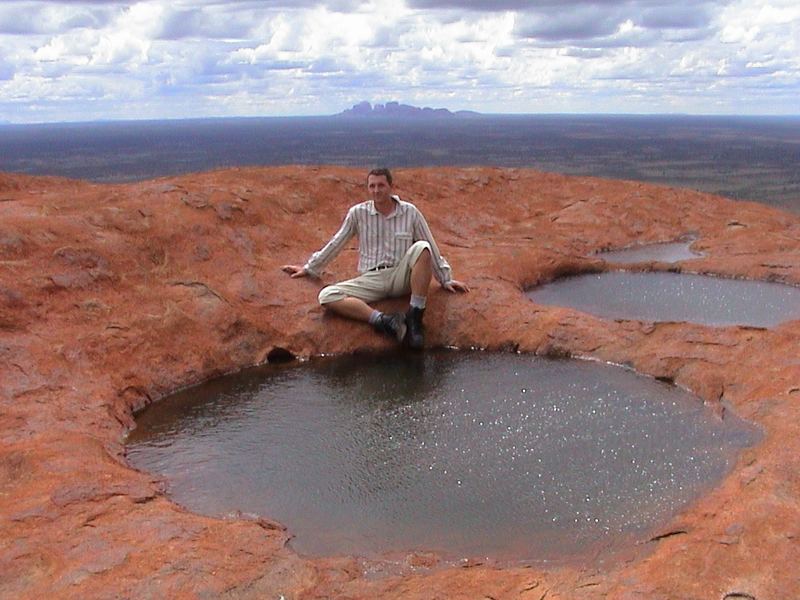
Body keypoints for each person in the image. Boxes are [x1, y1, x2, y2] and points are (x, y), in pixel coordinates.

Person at [282, 168, 469, 348]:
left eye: (381, 185)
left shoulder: (410, 212)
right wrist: (310, 268)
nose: (376, 190)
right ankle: (384, 321)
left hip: (400, 276)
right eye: (372, 186)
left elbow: (430, 244)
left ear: (390, 187)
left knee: (423, 248)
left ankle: (415, 318)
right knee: (327, 295)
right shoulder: (358, 213)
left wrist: (445, 279)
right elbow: (337, 242)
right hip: (371, 278)